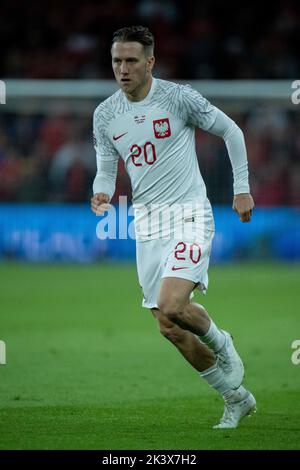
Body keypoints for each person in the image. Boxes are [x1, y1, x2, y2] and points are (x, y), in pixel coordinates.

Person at [91, 25, 256, 429]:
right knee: (169, 325)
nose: (123, 69)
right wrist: (101, 192)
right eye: (117, 61)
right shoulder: (105, 114)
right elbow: (106, 168)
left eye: (131, 61)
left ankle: (222, 343)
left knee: (172, 303)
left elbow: (230, 131)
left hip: (188, 214)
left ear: (150, 62)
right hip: (147, 223)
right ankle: (235, 398)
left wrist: (242, 189)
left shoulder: (179, 98)